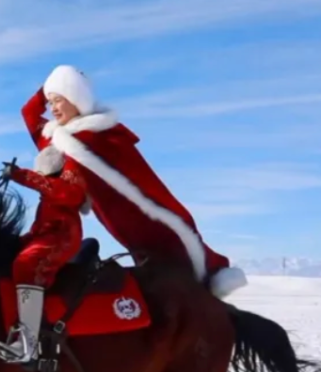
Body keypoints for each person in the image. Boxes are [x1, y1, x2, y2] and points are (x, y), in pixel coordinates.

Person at [20, 64, 247, 299]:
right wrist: (48, 87)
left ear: (76, 100)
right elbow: (28, 113)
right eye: (50, 102)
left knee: (168, 254)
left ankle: (206, 282)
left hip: (133, 214)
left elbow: (142, 181)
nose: (53, 108)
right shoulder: (57, 137)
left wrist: (23, 176)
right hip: (111, 218)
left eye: (58, 100)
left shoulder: (97, 137)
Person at [0, 147, 88, 363]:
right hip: (48, 237)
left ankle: (29, 344)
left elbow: (59, 191)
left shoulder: (69, 188)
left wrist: (20, 175)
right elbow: (40, 229)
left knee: (26, 264)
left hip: (62, 239)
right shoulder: (48, 196)